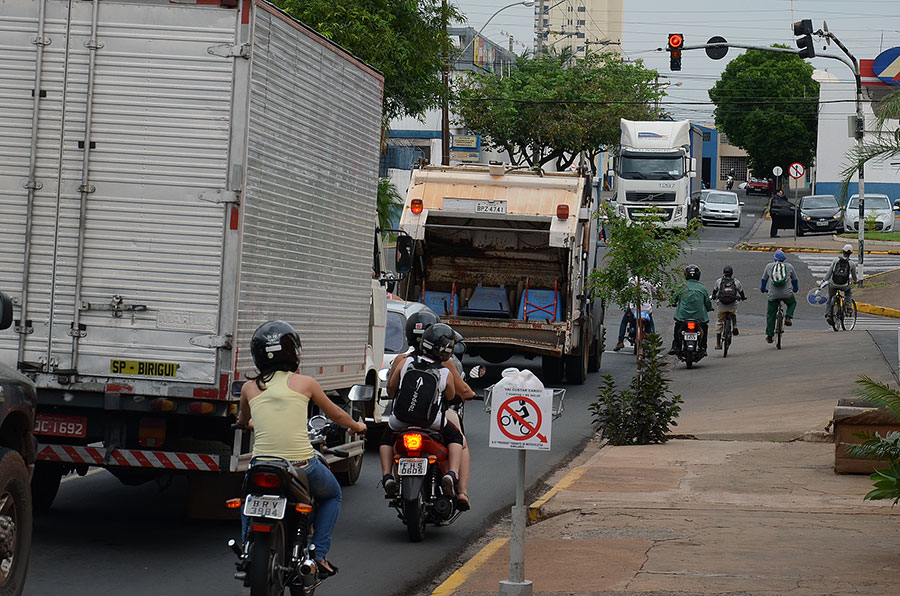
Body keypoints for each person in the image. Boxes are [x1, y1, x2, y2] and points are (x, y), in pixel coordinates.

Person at [238, 320, 366, 579]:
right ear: (293, 353)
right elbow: (337, 415)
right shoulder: (306, 383)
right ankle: (319, 555)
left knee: (249, 500)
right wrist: (357, 425)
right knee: (333, 495)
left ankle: (247, 549)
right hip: (300, 466)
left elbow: (243, 421)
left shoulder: (249, 388)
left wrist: (250, 424)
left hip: (261, 463)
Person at [382, 312, 474, 508]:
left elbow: (391, 388)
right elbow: (454, 395)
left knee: (385, 438)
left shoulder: (403, 360)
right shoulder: (446, 367)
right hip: (432, 420)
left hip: (400, 419)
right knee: (458, 440)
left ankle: (387, 476)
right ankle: (457, 483)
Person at [669, 265, 713, 356]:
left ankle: (675, 346)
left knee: (677, 326)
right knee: (704, 327)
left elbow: (673, 299)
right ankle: (703, 347)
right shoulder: (702, 288)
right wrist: (709, 309)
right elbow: (708, 303)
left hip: (683, 316)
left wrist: (673, 303)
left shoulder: (682, 286)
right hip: (699, 317)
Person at [760, 249, 799, 343]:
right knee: (793, 303)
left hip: (773, 294)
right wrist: (795, 289)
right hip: (787, 294)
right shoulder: (789, 266)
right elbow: (795, 280)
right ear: (784, 259)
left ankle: (769, 335)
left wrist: (763, 289)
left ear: (774, 258)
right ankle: (788, 317)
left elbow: (764, 280)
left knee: (771, 314)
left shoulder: (769, 266)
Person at [613, 276, 656, 351]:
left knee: (624, 322)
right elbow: (655, 291)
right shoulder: (649, 280)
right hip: (647, 309)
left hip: (633, 309)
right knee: (651, 323)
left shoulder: (632, 280)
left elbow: (625, 291)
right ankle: (653, 343)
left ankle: (620, 341)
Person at [711, 265, 747, 349]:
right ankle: (735, 326)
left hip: (721, 306)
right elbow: (741, 293)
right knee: (733, 313)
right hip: (732, 305)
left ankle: (718, 343)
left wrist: (713, 296)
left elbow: (714, 292)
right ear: (732, 273)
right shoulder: (736, 282)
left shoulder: (719, 281)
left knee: (719, 321)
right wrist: (743, 298)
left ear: (723, 273)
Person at [822, 244, 859, 327]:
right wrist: (856, 281)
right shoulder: (852, 264)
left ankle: (828, 315)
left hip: (833, 284)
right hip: (844, 285)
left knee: (830, 297)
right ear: (851, 253)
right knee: (848, 293)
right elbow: (854, 277)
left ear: (843, 251)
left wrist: (823, 281)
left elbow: (830, 272)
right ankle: (848, 308)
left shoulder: (835, 260)